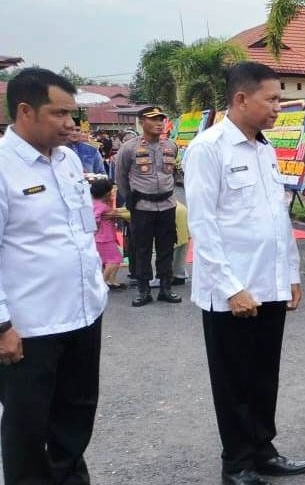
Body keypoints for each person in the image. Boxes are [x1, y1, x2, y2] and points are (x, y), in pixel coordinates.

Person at [184, 62, 305, 485]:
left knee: (263, 375)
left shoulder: (265, 150)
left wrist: (291, 273)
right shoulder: (209, 148)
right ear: (241, 99)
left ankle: (263, 449)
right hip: (232, 291)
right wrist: (231, 288)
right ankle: (236, 462)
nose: (278, 107)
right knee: (234, 379)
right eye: (271, 99)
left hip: (269, 283)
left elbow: (278, 218)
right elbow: (203, 225)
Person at [0, 68, 108, 485]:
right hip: (30, 326)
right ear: (25, 111)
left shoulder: (66, 162)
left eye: (73, 114)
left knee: (75, 419)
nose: (70, 124)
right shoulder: (5, 167)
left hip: (82, 315)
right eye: (59, 113)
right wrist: (3, 325)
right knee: (27, 429)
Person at [115, 106, 181, 307]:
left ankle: (165, 288)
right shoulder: (129, 149)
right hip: (143, 206)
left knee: (166, 248)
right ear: (142, 122)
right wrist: (132, 199)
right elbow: (121, 178)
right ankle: (143, 290)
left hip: (167, 205)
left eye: (161, 119)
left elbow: (173, 173)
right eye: (153, 119)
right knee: (142, 249)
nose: (159, 123)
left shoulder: (171, 145)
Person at [90, 175, 127, 291]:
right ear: (106, 193)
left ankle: (112, 281)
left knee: (105, 261)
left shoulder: (95, 203)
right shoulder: (101, 206)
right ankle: (101, 283)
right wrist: (97, 225)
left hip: (102, 238)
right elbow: (95, 218)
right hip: (104, 238)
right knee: (115, 260)